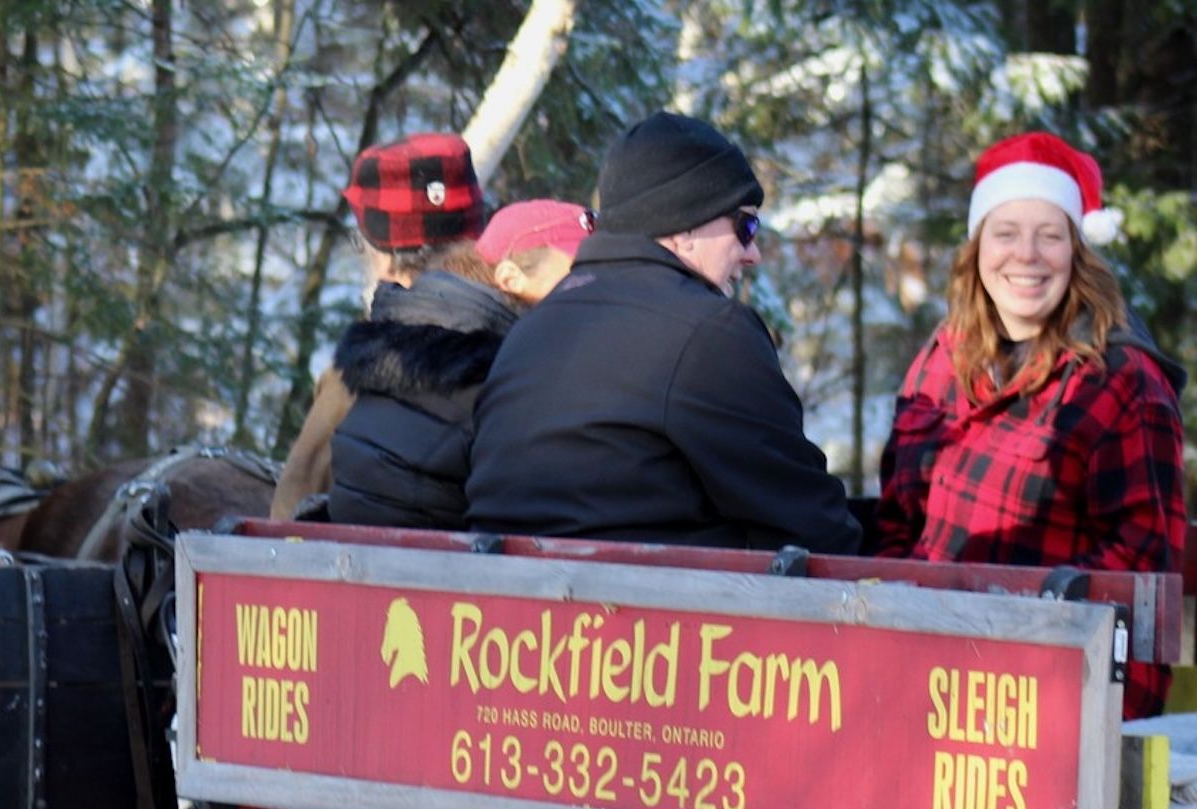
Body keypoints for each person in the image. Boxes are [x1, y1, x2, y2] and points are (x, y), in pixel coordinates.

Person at [875, 132, 1187, 718]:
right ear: (977, 249)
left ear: (1077, 254)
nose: (1027, 255)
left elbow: (1140, 573)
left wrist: (1002, 635)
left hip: (1057, 694)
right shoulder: (941, 358)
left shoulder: (1122, 382)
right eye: (1007, 233)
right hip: (920, 676)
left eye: (1049, 235)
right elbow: (897, 523)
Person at [465, 113, 861, 553]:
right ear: (686, 223)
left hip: (509, 611)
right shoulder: (710, 333)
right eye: (745, 227)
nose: (754, 254)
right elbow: (810, 523)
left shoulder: (531, 329)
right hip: (647, 613)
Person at [327, 201, 591, 529]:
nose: (591, 289)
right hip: (435, 564)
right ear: (511, 278)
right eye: (577, 275)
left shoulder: (418, 332)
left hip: (372, 552)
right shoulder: (498, 371)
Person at [271, 132, 487, 520]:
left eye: (361, 243)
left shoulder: (358, 374)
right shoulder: (535, 335)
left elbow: (291, 505)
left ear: (387, 264)